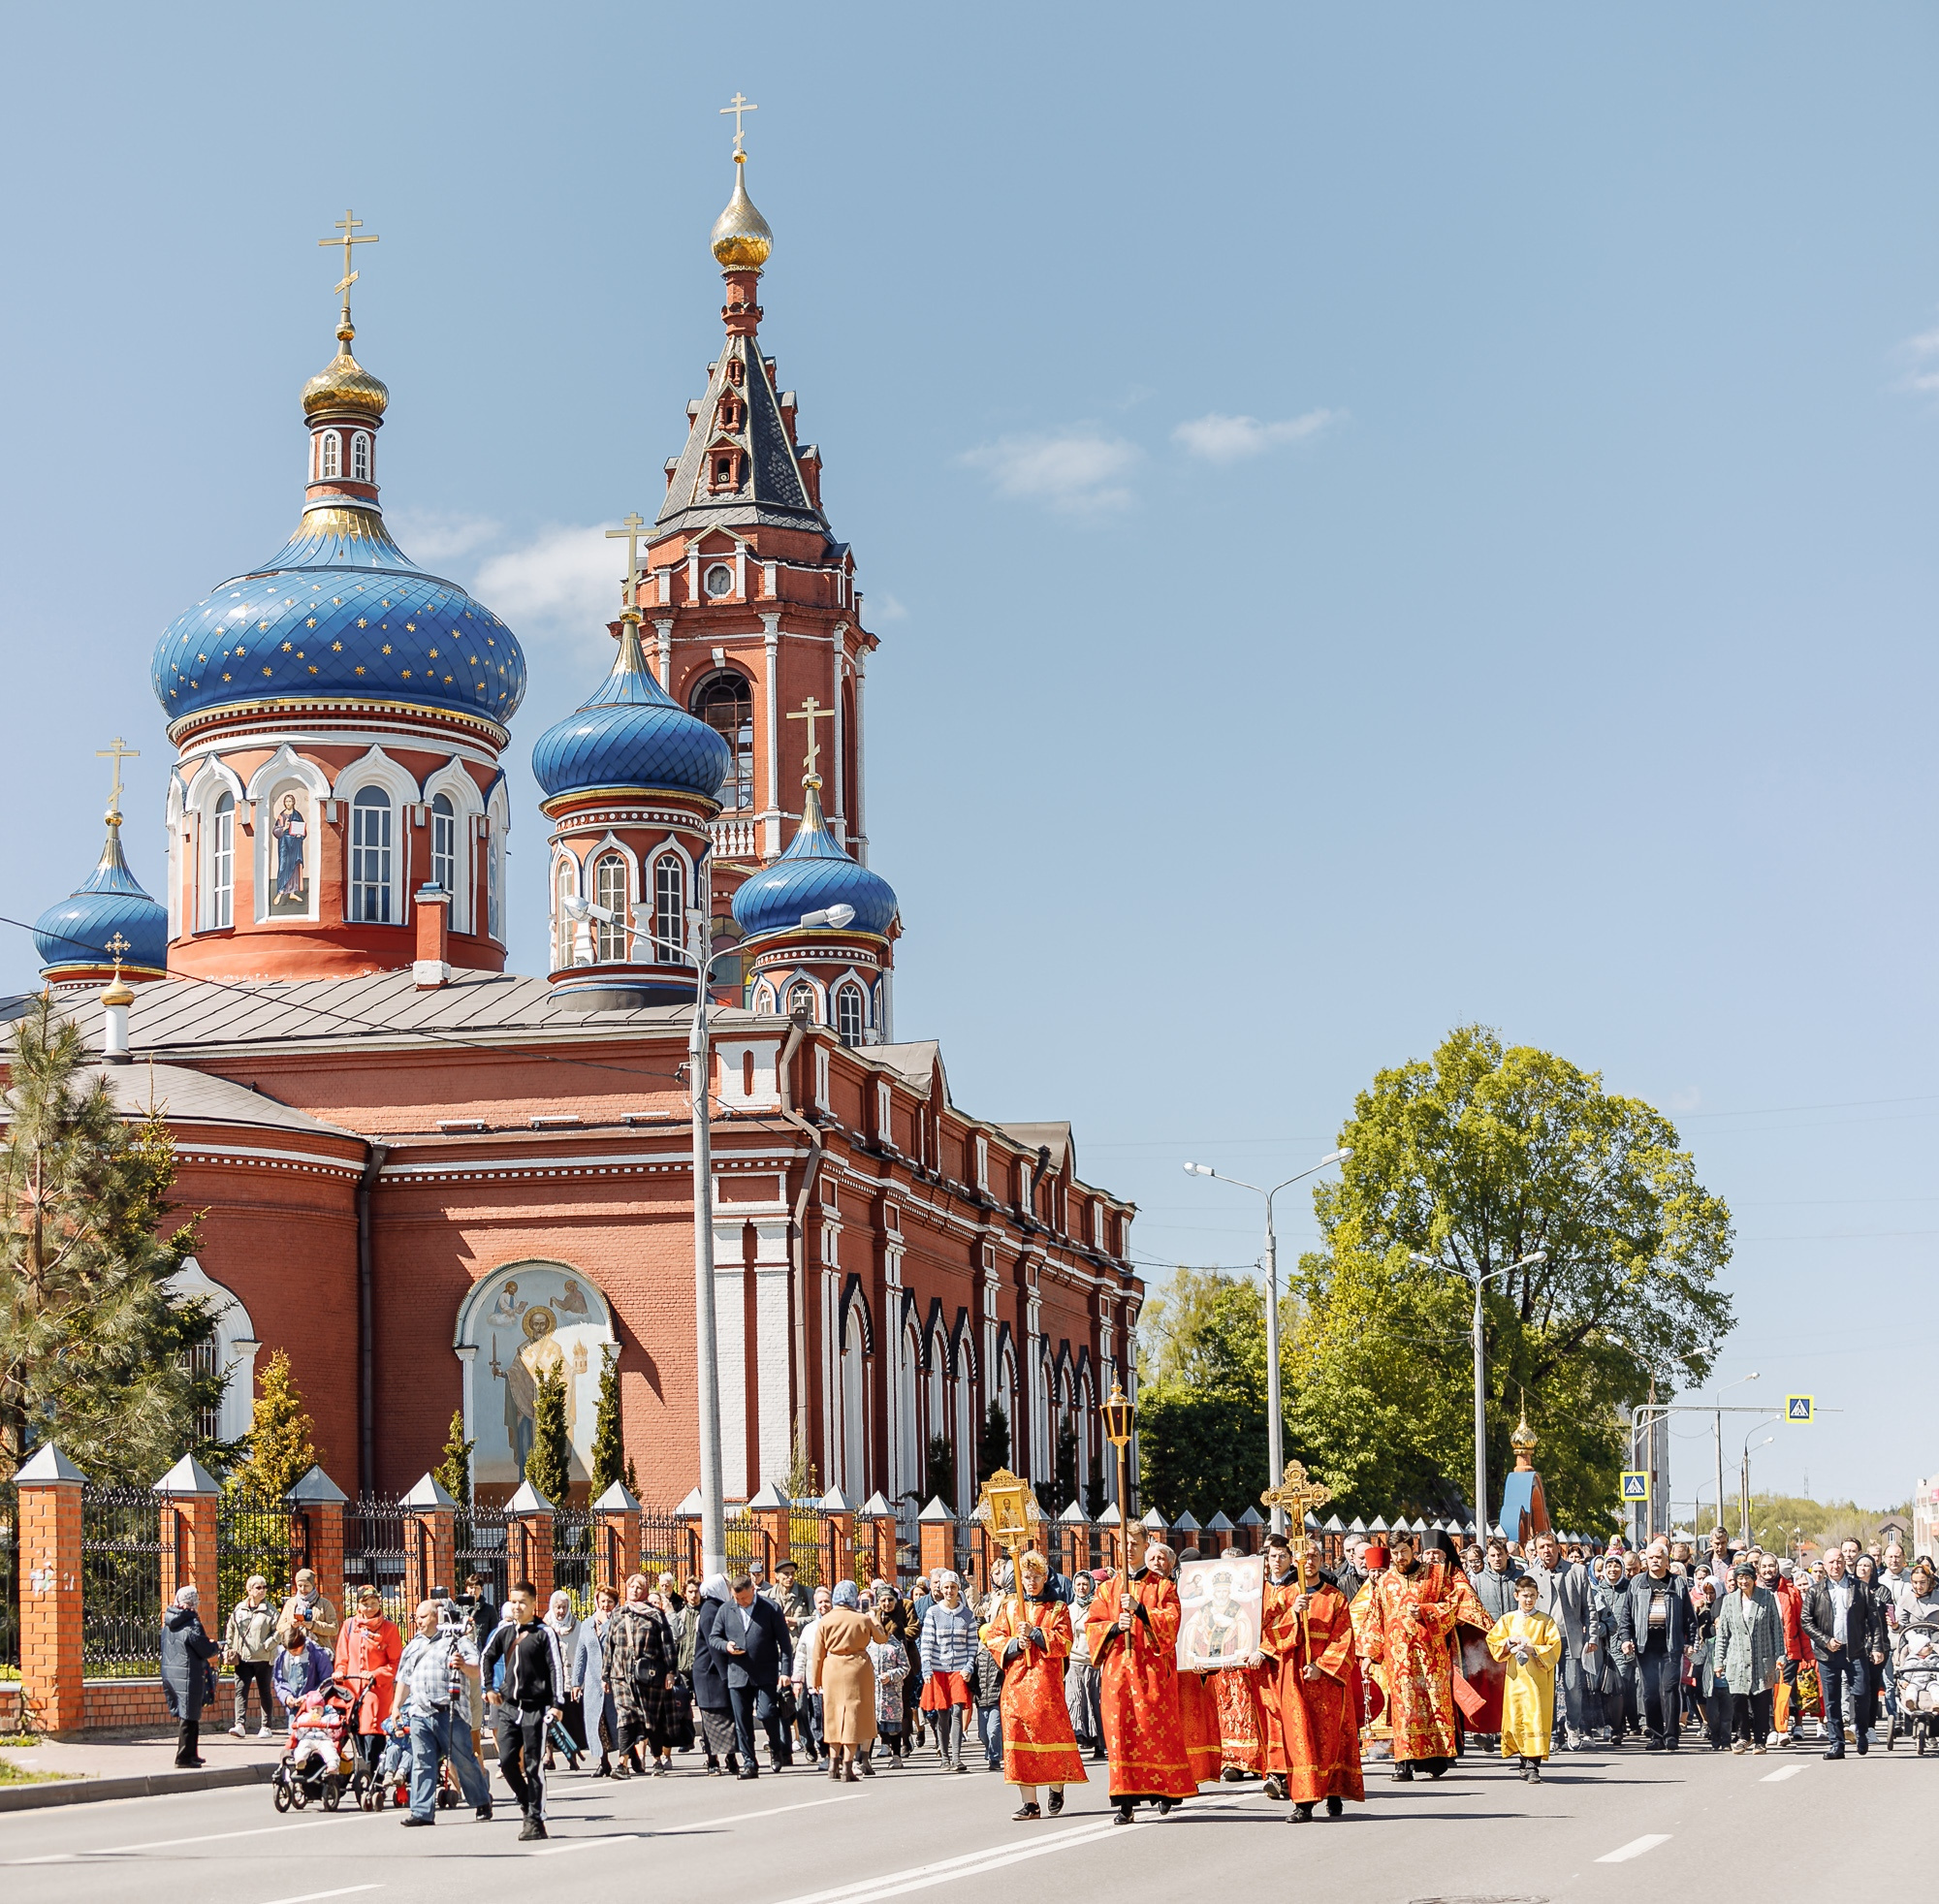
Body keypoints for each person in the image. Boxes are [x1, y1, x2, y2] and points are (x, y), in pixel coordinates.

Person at [1357, 1528, 1489, 1781]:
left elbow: (1454, 1605)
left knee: (1432, 1707)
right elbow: (1374, 1619)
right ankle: (1403, 1763)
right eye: (1395, 1553)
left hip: (1431, 1658)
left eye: (1404, 1552)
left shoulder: (1436, 1575)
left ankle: (1436, 1758)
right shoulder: (1384, 1582)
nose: (1399, 1558)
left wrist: (1428, 1611)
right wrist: (1367, 1656)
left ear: (1413, 1548)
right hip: (1398, 1660)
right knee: (1404, 1710)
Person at [1084, 1542, 1195, 1825]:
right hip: (1118, 1671)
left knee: (1152, 1730)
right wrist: (1112, 1627)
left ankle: (1162, 1788)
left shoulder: (1163, 1587)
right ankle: (1125, 1802)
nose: (1130, 1549)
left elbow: (1172, 1620)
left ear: (1144, 1546)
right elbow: (1092, 1624)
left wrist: (1141, 1610)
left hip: (1151, 1670)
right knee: (1120, 1734)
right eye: (1126, 1544)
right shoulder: (1108, 1588)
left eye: (1136, 1543)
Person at [1260, 1541, 1362, 1821]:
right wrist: (1293, 1613)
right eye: (1304, 1557)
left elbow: (1344, 1639)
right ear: (1295, 1561)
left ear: (1321, 1560)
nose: (1309, 1562)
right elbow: (1268, 1634)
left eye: (1315, 1556)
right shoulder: (1285, 1597)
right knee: (1299, 1737)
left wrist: (1321, 1667)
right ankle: (1303, 1802)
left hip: (1325, 1681)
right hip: (1294, 1678)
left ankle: (1332, 1790)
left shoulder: (1335, 1598)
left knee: (1328, 1738)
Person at [984, 1551, 1087, 1821]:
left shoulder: (1057, 1608)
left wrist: (1037, 1633)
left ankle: (1056, 1786)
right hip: (1015, 1685)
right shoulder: (1009, 1608)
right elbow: (992, 1638)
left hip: (1046, 1685)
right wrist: (1014, 1644)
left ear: (1045, 1578)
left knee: (1049, 1735)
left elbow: (1065, 1643)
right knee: (1018, 1737)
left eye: (1036, 1577)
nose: (1031, 1582)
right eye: (1026, 1577)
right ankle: (1030, 1803)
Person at [392, 1598, 493, 1825]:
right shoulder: (413, 1645)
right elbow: (404, 1679)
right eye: (416, 1617)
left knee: (463, 1760)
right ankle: (421, 1812)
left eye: (423, 1616)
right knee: (422, 1762)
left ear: (438, 1617)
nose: (418, 1621)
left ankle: (482, 1801)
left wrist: (463, 1666)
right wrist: (396, 1706)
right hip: (420, 1713)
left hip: (451, 1712)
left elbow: (476, 1671)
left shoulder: (458, 1641)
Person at [482, 1580, 566, 1838]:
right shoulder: (504, 1631)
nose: (517, 1607)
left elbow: (556, 1669)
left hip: (536, 1709)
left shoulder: (544, 1633)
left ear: (533, 1604)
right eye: (514, 1601)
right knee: (507, 1762)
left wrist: (557, 1703)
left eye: (523, 1602)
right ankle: (527, 1800)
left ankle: (535, 1820)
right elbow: (486, 1656)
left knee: (532, 1765)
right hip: (509, 1707)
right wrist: (489, 1688)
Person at [1802, 1545, 1886, 1760]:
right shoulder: (1815, 1591)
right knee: (1831, 1699)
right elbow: (1806, 1621)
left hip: (1855, 1650)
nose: (1836, 1565)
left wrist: (1876, 1647)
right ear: (1824, 1564)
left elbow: (1874, 1620)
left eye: (1839, 1561)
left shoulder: (1859, 1588)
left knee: (1861, 1693)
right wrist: (1825, 1640)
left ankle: (1861, 1730)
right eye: (1831, 1562)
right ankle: (1836, 1743)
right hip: (1828, 1653)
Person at [707, 1571, 793, 1776]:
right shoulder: (726, 1610)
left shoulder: (770, 1608)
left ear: (753, 1590)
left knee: (766, 1712)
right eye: (737, 1599)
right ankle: (749, 1762)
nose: (741, 1602)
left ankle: (776, 1749)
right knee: (742, 1720)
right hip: (738, 1673)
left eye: (745, 1598)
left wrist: (785, 1671)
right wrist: (726, 1646)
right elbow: (713, 1637)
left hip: (765, 1672)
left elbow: (785, 1643)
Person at [1522, 1532, 1599, 1750]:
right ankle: (1552, 1733)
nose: (1546, 1550)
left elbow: (1589, 1608)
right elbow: (1524, 1610)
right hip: (1542, 1642)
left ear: (1558, 1547)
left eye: (1550, 1545)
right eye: (1542, 1547)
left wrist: (1591, 1636)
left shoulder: (1576, 1571)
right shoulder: (1531, 1575)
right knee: (1546, 1689)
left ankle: (1573, 1726)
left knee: (1573, 1686)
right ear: (1536, 1551)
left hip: (1570, 1639)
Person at [1486, 1574, 1562, 1783]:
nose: (1529, 1600)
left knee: (1535, 1718)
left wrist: (1534, 1649)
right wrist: (1509, 1642)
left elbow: (1554, 1647)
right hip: (1515, 1680)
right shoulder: (1508, 1620)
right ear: (1516, 1595)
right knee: (1517, 1718)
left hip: (1537, 1682)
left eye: (1533, 1596)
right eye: (1525, 1595)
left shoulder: (1545, 1621)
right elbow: (1493, 1641)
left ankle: (1533, 1764)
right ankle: (1522, 1759)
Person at [1615, 1541, 1690, 1751]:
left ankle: (1672, 1735)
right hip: (1645, 1646)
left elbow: (1689, 1617)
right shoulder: (1637, 1583)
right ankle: (1656, 1735)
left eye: (1659, 1557)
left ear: (1667, 1560)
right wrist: (1626, 1639)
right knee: (1649, 1691)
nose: (1655, 1561)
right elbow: (1626, 1616)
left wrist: (1690, 1642)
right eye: (1651, 1557)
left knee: (1669, 1688)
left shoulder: (1678, 1583)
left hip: (1671, 1645)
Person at [811, 1579, 887, 1782]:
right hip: (857, 1668)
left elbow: (818, 1653)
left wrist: (815, 1679)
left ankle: (833, 1764)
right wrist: (874, 1617)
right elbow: (882, 1638)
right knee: (854, 1715)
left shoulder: (825, 1620)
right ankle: (848, 1766)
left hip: (832, 1668)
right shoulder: (862, 1619)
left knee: (834, 1714)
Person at [605, 1572, 677, 1777]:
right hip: (621, 1676)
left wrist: (671, 1671)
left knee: (650, 1718)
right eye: (631, 1587)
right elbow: (609, 1647)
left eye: (639, 1587)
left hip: (649, 1676)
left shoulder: (655, 1615)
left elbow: (667, 1645)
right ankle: (622, 1763)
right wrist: (605, 1675)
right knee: (625, 1717)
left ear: (644, 1590)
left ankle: (656, 1759)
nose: (634, 1591)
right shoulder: (618, 1614)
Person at [334, 1585, 404, 1781]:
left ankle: (376, 1775)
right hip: (352, 1690)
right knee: (351, 1730)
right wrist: (340, 1670)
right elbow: (342, 1656)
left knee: (372, 1731)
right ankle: (357, 1771)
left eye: (374, 1603)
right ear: (358, 1605)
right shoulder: (349, 1626)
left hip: (376, 1691)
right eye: (366, 1604)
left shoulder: (389, 1629)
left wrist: (376, 1674)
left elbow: (395, 1662)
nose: (370, 1608)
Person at [1713, 1558, 1781, 1755]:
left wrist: (1780, 1656)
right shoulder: (1729, 1601)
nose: (1743, 1582)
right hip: (1737, 1659)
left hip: (1762, 1657)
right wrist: (1719, 1661)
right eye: (1740, 1578)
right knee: (1738, 1699)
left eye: (1747, 1577)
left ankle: (1760, 1739)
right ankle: (1744, 1736)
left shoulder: (1766, 1597)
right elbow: (1723, 1634)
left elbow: (1776, 1629)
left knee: (1761, 1700)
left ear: (1754, 1578)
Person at [1462, 1537, 1521, 1747]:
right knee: (1490, 1687)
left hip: (1516, 1640)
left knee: (1512, 1686)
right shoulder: (1478, 1580)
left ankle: (1509, 1730)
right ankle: (1487, 1731)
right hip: (1489, 1640)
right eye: (1493, 1555)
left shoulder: (1520, 1577)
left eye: (1500, 1554)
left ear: (1507, 1555)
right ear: (1487, 1557)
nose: (1497, 1559)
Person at [918, 1570, 979, 1771]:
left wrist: (969, 1666)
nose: (949, 1591)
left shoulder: (967, 1615)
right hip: (938, 1669)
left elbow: (973, 1645)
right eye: (946, 1587)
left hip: (959, 1670)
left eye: (953, 1587)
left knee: (957, 1710)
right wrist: (926, 1668)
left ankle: (956, 1757)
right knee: (942, 1713)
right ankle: (944, 1757)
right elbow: (926, 1643)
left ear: (958, 1588)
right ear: (941, 1589)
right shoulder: (933, 1613)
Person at [161, 1584, 220, 1768]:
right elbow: (202, 1648)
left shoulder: (169, 1621)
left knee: (188, 1714)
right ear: (193, 1603)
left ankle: (192, 1753)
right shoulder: (192, 1622)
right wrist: (215, 1646)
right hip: (188, 1673)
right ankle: (184, 1757)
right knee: (190, 1715)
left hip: (171, 1672)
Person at [689, 1576, 742, 1774]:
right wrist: (725, 1675)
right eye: (727, 1586)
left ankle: (730, 1758)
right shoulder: (711, 1610)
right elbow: (714, 1645)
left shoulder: (717, 1607)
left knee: (726, 1717)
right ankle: (713, 1760)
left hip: (714, 1672)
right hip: (711, 1674)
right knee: (713, 1718)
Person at [223, 1574, 280, 1738]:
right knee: (241, 1691)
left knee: (264, 1691)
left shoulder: (270, 1611)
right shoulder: (239, 1609)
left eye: (264, 1587)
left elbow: (279, 1631)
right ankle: (239, 1724)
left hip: (263, 1658)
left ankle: (266, 1726)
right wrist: (230, 1647)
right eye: (258, 1587)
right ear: (249, 1590)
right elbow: (231, 1628)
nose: (263, 1590)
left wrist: (267, 1645)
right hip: (243, 1658)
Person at [543, 1590, 594, 1769]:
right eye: (558, 1607)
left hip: (570, 1681)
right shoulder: (545, 1627)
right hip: (550, 1681)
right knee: (550, 1720)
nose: (561, 1611)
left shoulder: (576, 1626)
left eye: (564, 1607)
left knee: (571, 1721)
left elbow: (582, 1653)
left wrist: (580, 1681)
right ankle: (549, 1757)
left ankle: (571, 1756)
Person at [792, 1584, 835, 1767]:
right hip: (815, 1683)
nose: (823, 1605)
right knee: (816, 1718)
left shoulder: (837, 1625)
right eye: (820, 1602)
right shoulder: (809, 1629)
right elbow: (801, 1655)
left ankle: (835, 1753)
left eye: (826, 1601)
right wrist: (797, 1679)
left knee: (832, 1718)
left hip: (834, 1682)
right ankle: (824, 1752)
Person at [867, 1590, 909, 1765]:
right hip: (872, 1693)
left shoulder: (896, 1645)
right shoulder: (868, 1645)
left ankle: (896, 1756)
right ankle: (865, 1758)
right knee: (870, 1728)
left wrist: (891, 1676)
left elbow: (905, 1667)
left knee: (893, 1727)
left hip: (892, 1693)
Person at [969, 1595, 1007, 1769]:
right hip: (981, 1700)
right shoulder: (976, 1655)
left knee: (994, 1730)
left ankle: (994, 1758)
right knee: (983, 1733)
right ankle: (990, 1750)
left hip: (996, 1700)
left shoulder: (999, 1654)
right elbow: (973, 1677)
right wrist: (972, 1689)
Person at [1065, 1571, 1101, 1758]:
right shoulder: (1069, 1609)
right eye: (1078, 1585)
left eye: (1085, 1585)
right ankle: (1078, 1737)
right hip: (1074, 1660)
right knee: (1076, 1700)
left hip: (1093, 1661)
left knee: (1095, 1701)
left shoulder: (1097, 1608)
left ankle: (1098, 1744)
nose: (1081, 1588)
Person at [272, 1615, 334, 1718]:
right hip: (293, 1710)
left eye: (295, 1650)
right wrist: (286, 1696)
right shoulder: (282, 1656)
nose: (293, 1654)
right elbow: (280, 1681)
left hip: (316, 1709)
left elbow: (327, 1682)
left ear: (302, 1643)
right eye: (290, 1652)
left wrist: (308, 1697)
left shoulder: (319, 1654)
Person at [278, 1568, 339, 1650]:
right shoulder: (290, 1603)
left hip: (318, 1651)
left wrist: (313, 1625)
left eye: (306, 1585)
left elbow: (334, 1629)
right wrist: (291, 1625)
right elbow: (280, 1627)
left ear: (313, 1585)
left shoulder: (325, 1604)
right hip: (295, 1651)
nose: (303, 1589)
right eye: (300, 1586)